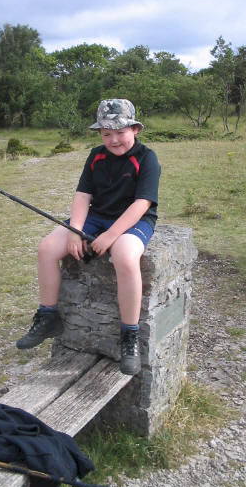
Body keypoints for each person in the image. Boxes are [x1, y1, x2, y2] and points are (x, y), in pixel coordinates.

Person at [16, 99, 161, 376]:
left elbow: (142, 203)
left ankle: (130, 335)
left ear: (136, 129)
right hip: (97, 216)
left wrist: (110, 236)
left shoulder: (147, 158)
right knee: (47, 248)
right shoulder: (95, 156)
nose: (114, 139)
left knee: (125, 256)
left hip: (134, 219)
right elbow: (83, 196)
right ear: (99, 134)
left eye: (120, 132)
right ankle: (48, 316)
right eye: (107, 133)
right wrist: (75, 231)